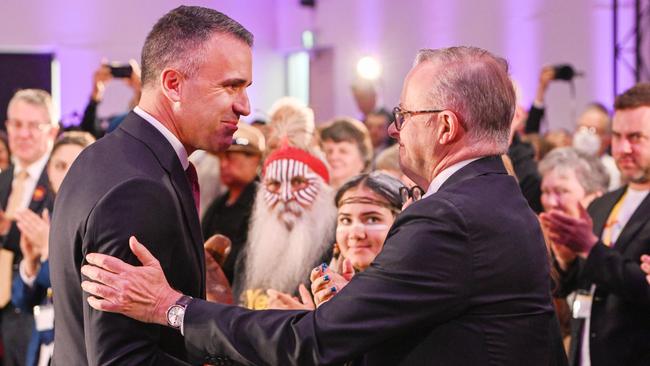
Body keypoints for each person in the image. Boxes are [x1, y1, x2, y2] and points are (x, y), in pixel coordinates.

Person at [80, 46, 564, 365]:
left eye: (405, 115)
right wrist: (355, 310)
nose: (394, 130)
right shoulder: (501, 199)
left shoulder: (448, 217)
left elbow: (311, 342)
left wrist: (173, 307)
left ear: (444, 126)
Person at [48, 6, 253, 365]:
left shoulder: (105, 155)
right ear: (173, 84)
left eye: (246, 88)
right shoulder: (140, 188)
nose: (245, 106)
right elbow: (123, 359)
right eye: (230, 86)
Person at [541, 83, 650, 366]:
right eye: (617, 136)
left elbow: (643, 286)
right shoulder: (604, 203)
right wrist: (566, 260)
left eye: (636, 137)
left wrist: (589, 247)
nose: (624, 148)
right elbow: (575, 286)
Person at [12, 131, 94, 366]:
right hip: (42, 349)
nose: (67, 173)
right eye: (59, 165)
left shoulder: (100, 219)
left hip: (80, 349)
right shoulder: (48, 215)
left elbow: (83, 292)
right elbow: (23, 302)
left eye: (76, 164)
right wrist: (30, 263)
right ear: (48, 171)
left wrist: (50, 253)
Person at [267, 172, 404, 310]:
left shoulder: (415, 288)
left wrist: (309, 323)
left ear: (402, 223)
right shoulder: (325, 283)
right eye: (346, 220)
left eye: (372, 219)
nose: (355, 234)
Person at [0, 89, 58, 366]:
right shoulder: (3, 179)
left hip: (35, 313)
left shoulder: (61, 184)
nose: (22, 134)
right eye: (16, 124)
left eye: (33, 126)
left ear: (52, 132)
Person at [201, 123, 265, 285]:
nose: (223, 165)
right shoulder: (219, 203)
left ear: (255, 159)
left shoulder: (262, 203)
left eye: (230, 157)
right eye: (221, 158)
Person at [320, 117, 373, 189]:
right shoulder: (310, 196)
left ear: (363, 158)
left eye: (343, 151)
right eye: (329, 151)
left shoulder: (373, 197)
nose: (333, 157)